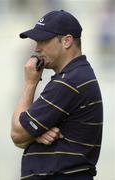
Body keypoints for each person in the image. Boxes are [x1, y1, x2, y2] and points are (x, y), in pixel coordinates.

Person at [11, 10, 103, 180]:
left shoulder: (69, 81)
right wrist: (36, 134)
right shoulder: (73, 76)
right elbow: (21, 139)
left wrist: (30, 84)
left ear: (67, 41)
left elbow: (17, 133)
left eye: (43, 40)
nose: (37, 48)